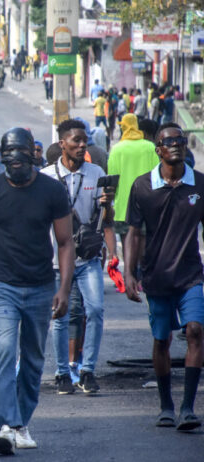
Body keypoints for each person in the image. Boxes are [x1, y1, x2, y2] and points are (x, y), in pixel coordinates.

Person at [0, 127, 74, 455]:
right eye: (8, 155)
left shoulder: (53, 190)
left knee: (32, 360)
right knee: (5, 351)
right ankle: (7, 425)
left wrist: (64, 288)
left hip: (41, 287)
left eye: (20, 153)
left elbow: (65, 242)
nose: (14, 160)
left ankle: (21, 424)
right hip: (2, 286)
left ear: (33, 153)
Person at [124, 123, 204, 432]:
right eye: (169, 141)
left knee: (195, 331)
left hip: (190, 275)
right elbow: (133, 232)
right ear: (158, 149)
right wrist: (129, 272)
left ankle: (188, 408)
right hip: (156, 276)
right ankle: (166, 405)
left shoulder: (199, 184)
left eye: (180, 140)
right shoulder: (143, 186)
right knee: (162, 339)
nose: (176, 145)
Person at [42, 119, 117, 395]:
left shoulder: (96, 173)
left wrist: (107, 206)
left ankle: (87, 371)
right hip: (55, 262)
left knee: (95, 310)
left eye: (84, 140)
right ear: (62, 143)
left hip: (87, 259)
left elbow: (106, 220)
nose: (82, 145)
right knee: (60, 316)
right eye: (76, 140)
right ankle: (62, 373)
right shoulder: (46, 177)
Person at [107, 114, 159, 263]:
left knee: (127, 244)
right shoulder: (150, 147)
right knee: (144, 242)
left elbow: (112, 180)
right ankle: (142, 274)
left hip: (123, 207)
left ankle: (129, 273)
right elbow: (158, 176)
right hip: (147, 205)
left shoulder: (117, 149)